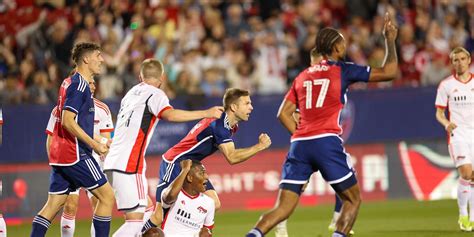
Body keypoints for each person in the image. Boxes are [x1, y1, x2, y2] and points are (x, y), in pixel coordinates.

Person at [247, 12, 398, 237]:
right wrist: (389, 41)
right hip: (326, 141)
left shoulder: (302, 76)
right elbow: (389, 72)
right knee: (353, 199)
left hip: (299, 144)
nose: (345, 46)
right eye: (343, 43)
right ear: (336, 48)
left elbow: (283, 113)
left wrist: (300, 134)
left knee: (282, 209)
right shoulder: (342, 70)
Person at [103, 58, 224, 237]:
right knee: (135, 223)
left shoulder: (130, 93)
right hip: (129, 164)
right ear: (163, 78)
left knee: (148, 211)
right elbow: (170, 114)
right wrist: (206, 113)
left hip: (112, 161)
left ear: (140, 76)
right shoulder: (155, 94)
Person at [142, 88, 272, 234]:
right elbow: (232, 157)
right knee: (159, 215)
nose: (251, 107)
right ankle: (139, 233)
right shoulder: (219, 125)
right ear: (234, 107)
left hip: (193, 164)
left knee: (214, 203)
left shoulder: (230, 125)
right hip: (176, 162)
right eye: (247, 103)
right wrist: (260, 146)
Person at [30, 42, 115, 237]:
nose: (102, 59)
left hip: (61, 154)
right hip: (75, 154)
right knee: (107, 197)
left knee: (52, 206)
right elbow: (68, 121)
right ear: (86, 59)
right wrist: (94, 144)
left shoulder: (69, 82)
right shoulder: (79, 85)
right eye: (98, 55)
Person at [274, 48, 353, 237]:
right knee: (298, 188)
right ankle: (281, 224)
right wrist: (302, 133)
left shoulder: (323, 81)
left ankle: (336, 220)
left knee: (344, 173)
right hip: (311, 143)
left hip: (317, 142)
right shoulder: (307, 82)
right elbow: (292, 113)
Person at [45, 78, 114, 237]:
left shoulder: (102, 109)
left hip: (93, 162)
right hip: (70, 159)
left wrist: (102, 156)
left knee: (99, 201)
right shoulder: (60, 110)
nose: (92, 86)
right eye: (88, 83)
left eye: (93, 83)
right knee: (70, 205)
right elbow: (50, 139)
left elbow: (106, 140)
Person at [435, 46, 474, 231]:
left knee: (473, 178)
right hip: (457, 134)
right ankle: (463, 215)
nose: (459, 62)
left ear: (469, 60)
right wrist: (446, 124)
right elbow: (439, 113)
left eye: (462, 59)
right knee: (466, 173)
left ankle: (472, 219)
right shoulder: (446, 85)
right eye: (455, 60)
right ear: (452, 63)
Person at [159, 159, 215, 237]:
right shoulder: (173, 194)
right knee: (153, 233)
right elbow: (170, 196)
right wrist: (185, 169)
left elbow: (208, 230)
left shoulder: (209, 202)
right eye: (202, 173)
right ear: (190, 178)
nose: (206, 177)